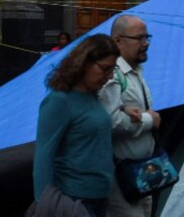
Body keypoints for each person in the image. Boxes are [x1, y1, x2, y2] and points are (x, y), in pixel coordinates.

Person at [33, 34, 120, 217]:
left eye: (113, 69)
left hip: (100, 198)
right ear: (84, 63)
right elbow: (43, 157)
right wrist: (45, 206)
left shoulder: (92, 96)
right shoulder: (59, 101)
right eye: (105, 68)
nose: (110, 76)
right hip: (74, 202)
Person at [98, 15, 160, 217]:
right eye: (139, 38)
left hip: (143, 171)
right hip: (121, 178)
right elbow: (111, 122)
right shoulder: (113, 75)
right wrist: (149, 120)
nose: (146, 43)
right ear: (118, 40)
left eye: (147, 37)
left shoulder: (135, 71)